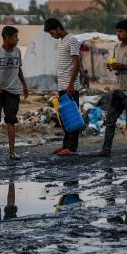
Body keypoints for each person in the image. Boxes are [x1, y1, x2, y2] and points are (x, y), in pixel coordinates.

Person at [96, 19, 127, 159]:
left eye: (121, 31)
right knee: (110, 120)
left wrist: (122, 66)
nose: (118, 34)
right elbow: (115, 64)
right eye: (117, 31)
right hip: (118, 89)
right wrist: (111, 66)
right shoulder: (117, 47)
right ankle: (106, 150)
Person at [0, 26, 28, 161]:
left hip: (13, 92)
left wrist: (24, 86)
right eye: (15, 37)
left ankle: (12, 152)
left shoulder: (17, 51)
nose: (17, 39)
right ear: (7, 38)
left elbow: (18, 69)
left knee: (11, 121)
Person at [44, 18, 82, 156]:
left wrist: (71, 84)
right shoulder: (61, 41)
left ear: (59, 28)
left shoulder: (72, 40)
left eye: (52, 32)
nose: (52, 35)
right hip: (62, 84)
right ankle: (66, 145)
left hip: (70, 85)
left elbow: (76, 63)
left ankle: (72, 147)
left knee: (72, 116)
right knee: (65, 116)